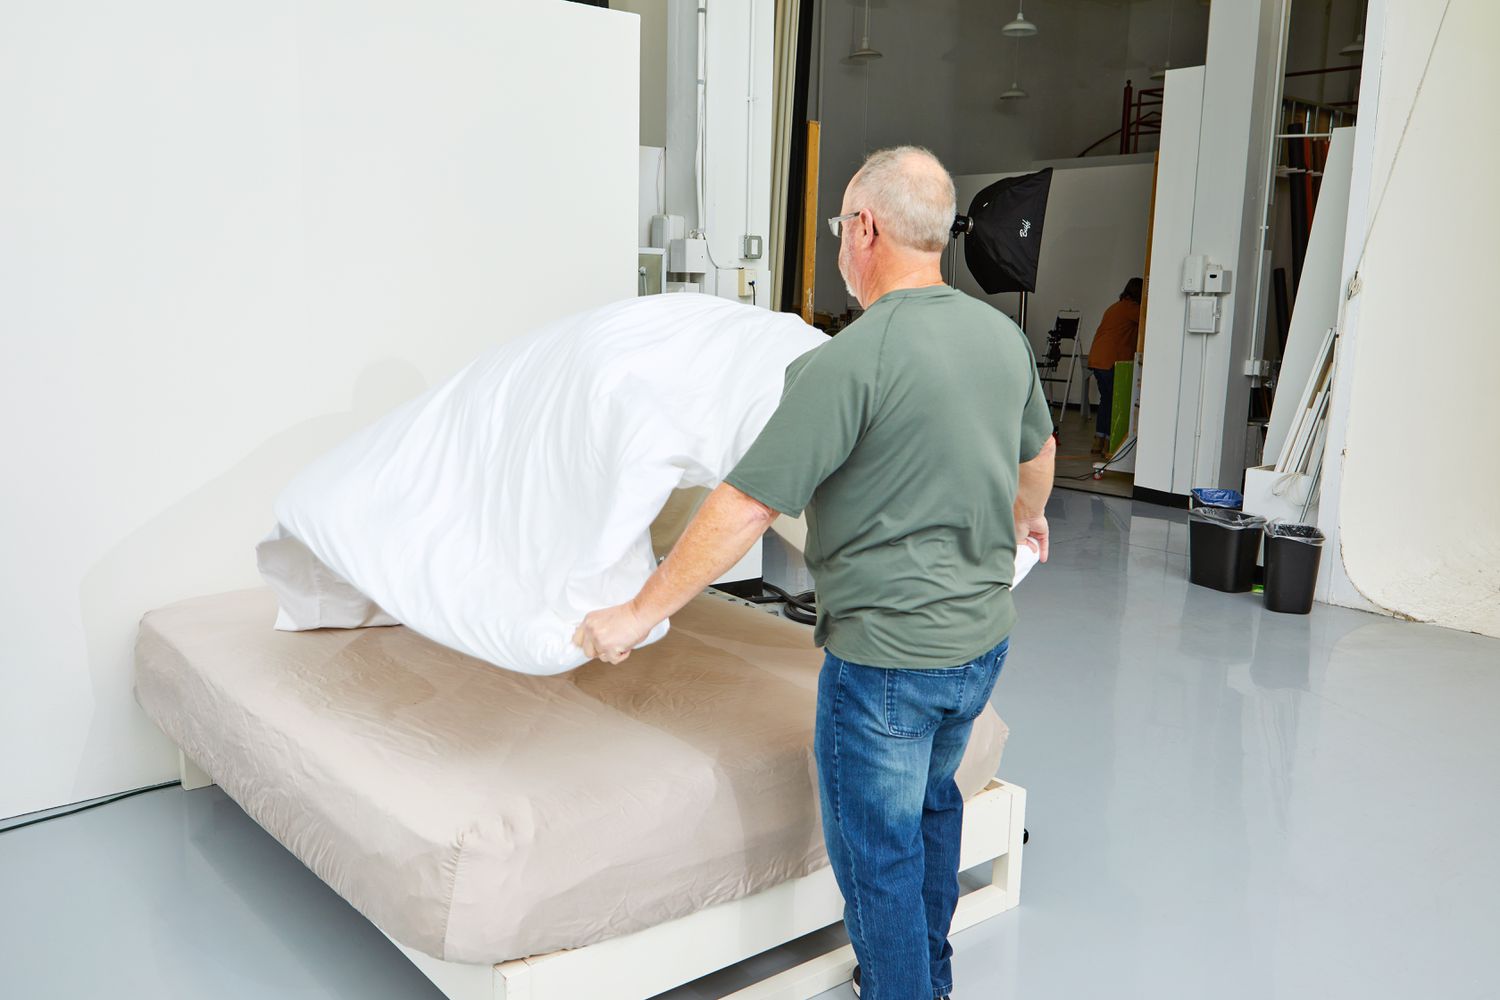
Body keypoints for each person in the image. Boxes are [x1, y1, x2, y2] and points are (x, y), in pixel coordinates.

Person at [574, 146, 1056, 1000]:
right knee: (935, 806)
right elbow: (1040, 452)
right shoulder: (1002, 338)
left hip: (886, 666)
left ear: (865, 229)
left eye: (842, 225)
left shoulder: (848, 362)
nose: (842, 239)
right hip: (980, 645)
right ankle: (933, 976)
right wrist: (1027, 517)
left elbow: (748, 505)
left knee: (878, 857)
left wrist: (636, 611)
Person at [1087, 277, 1143, 456]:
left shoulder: (1115, 307)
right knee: (1116, 402)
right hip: (1110, 361)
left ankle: (1099, 440)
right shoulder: (1132, 309)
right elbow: (1150, 320)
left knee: (1106, 401)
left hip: (1098, 359)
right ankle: (1111, 444)